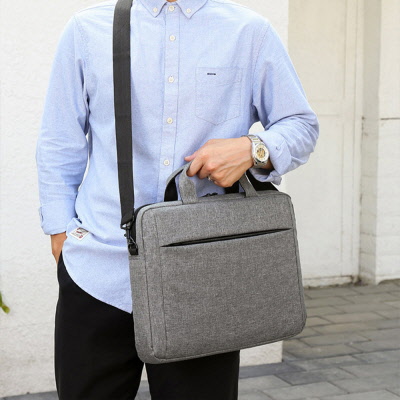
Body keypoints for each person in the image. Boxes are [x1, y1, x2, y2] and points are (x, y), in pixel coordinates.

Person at [35, 0, 319, 398]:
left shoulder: (249, 31)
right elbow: (59, 140)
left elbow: (301, 125)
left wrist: (252, 148)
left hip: (203, 278)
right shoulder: (87, 30)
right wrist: (59, 234)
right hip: (97, 270)